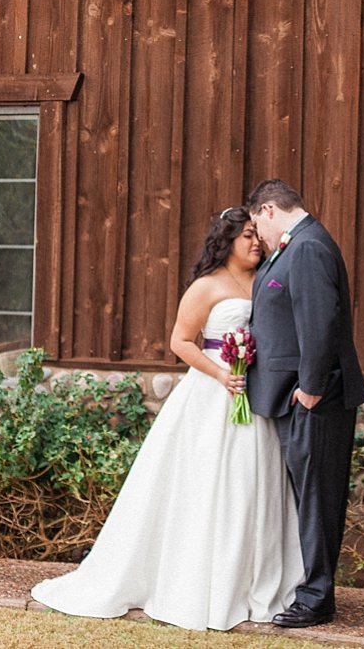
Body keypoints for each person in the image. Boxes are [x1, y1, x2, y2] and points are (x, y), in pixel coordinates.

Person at [32, 207, 303, 630]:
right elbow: (181, 341)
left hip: (257, 396)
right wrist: (221, 374)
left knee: (254, 483)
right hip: (213, 395)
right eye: (246, 236)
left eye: (257, 235)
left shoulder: (265, 280)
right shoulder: (206, 286)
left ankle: (255, 581)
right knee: (210, 484)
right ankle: (199, 581)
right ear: (227, 240)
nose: (255, 242)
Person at [246, 179, 364, 629]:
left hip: (315, 399)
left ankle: (316, 599)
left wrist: (312, 387)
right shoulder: (294, 247)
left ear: (268, 210)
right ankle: (308, 588)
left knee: (318, 498)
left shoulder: (310, 246)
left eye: (257, 224)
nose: (258, 236)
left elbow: (320, 319)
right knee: (308, 496)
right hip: (294, 397)